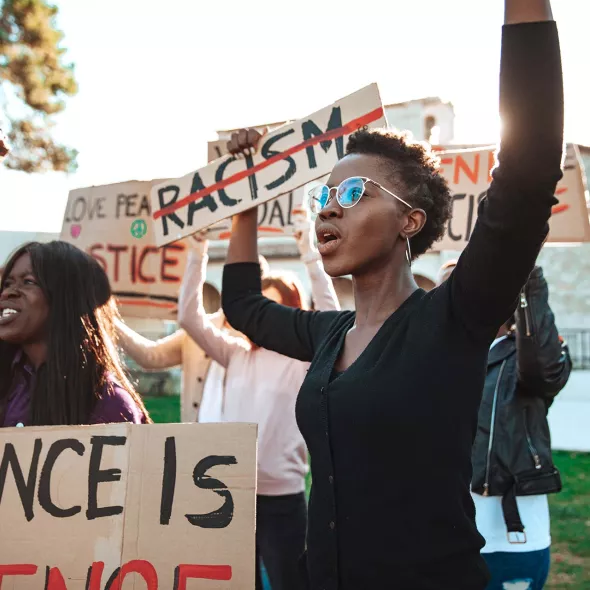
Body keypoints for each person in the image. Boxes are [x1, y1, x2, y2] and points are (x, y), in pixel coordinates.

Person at [219, 1, 564, 587]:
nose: (328, 206)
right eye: (322, 198)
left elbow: (529, 168)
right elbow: (243, 309)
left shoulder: (453, 320)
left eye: (354, 191)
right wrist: (246, 202)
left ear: (410, 220)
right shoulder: (329, 335)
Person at [177, 216, 340, 590]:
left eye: (272, 310)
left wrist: (308, 252)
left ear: (292, 312)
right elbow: (188, 316)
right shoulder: (234, 352)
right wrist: (197, 252)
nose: (262, 320)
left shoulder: (305, 357)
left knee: (290, 583)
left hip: (283, 499)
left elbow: (331, 315)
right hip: (226, 495)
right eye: (256, 310)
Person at [440, 261, 571, 590]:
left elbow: (543, 365)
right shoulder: (439, 361)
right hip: (443, 540)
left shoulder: (525, 360)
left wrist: (527, 267)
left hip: (508, 540)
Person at [115, 215, 313, 423]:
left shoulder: (260, 341)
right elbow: (151, 355)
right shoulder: (202, 330)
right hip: (199, 442)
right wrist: (108, 319)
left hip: (250, 443)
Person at [0, 241, 150, 426]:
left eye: (28, 282)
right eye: (7, 283)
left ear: (66, 300)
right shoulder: (8, 380)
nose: (8, 293)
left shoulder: (109, 405)